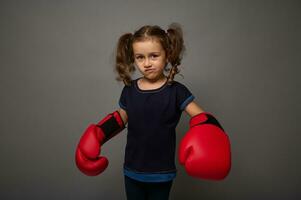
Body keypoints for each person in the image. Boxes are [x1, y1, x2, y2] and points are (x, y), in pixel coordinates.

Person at [75, 23, 231, 200]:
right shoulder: (130, 90)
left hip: (161, 172)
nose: (147, 63)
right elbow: (121, 118)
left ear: (167, 55)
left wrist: (212, 136)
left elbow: (202, 118)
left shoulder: (176, 91)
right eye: (140, 57)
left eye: (154, 56)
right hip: (132, 169)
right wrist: (98, 134)